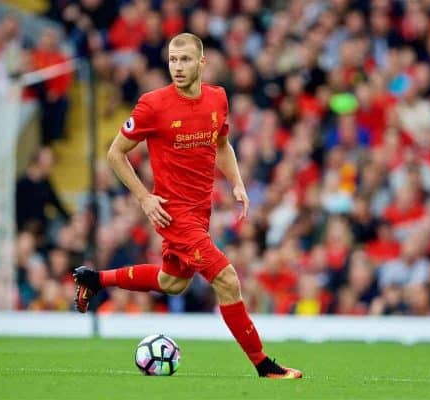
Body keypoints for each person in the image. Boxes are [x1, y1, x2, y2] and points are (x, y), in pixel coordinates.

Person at [73, 33, 302, 379]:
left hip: (200, 212)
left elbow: (222, 145)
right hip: (172, 212)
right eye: (172, 60)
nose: (177, 67)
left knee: (173, 282)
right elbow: (114, 154)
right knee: (226, 279)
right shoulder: (153, 105)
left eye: (185, 60)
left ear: (201, 63)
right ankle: (263, 364)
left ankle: (96, 279)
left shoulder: (217, 99)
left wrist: (237, 182)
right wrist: (145, 198)